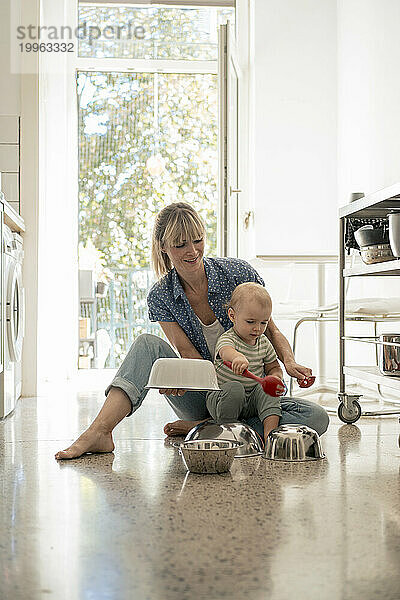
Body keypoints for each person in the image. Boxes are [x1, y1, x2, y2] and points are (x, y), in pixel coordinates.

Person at [55, 202, 329, 460]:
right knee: (146, 344)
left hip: (250, 393)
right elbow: (186, 352)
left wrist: (288, 362)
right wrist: (182, 375)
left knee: (316, 416)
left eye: (197, 240)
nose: (193, 251)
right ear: (163, 246)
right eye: (180, 244)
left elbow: (271, 330)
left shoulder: (237, 273)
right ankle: (100, 432)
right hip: (204, 393)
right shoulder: (161, 295)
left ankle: (206, 428)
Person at [207, 282, 285, 444]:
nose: (258, 328)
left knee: (268, 391)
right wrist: (236, 357)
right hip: (222, 399)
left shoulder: (263, 342)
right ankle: (227, 432)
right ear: (232, 315)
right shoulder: (228, 339)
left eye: (263, 323)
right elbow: (225, 351)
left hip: (251, 402)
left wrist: (276, 377)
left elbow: (273, 367)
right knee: (235, 388)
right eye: (251, 322)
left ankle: (270, 436)